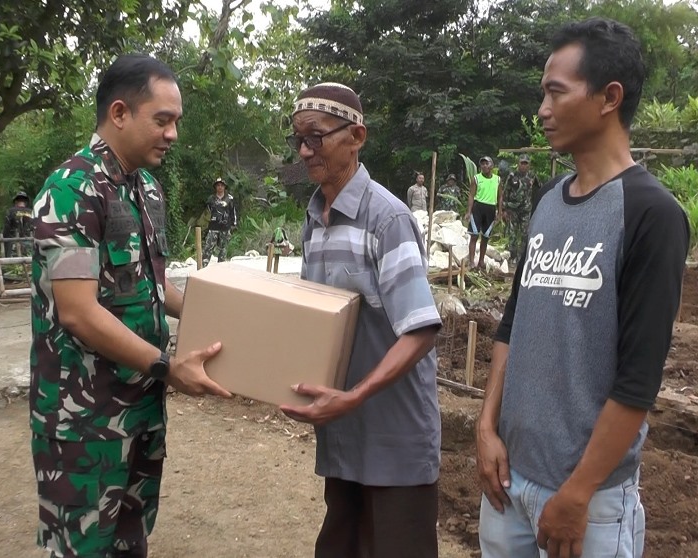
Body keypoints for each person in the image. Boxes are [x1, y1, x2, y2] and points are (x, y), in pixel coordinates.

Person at [476, 18, 689, 558]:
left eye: (555, 92)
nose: (542, 109)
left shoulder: (652, 215)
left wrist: (577, 492)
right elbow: (512, 323)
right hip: (508, 486)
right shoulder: (548, 198)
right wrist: (485, 427)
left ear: (608, 98)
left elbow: (638, 381)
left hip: (586, 504)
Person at [30, 54, 231, 558]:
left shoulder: (146, 188)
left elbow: (150, 284)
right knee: (83, 549)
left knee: (130, 542)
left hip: (139, 411)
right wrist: (168, 367)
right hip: (83, 421)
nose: (173, 134)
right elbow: (77, 311)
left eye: (176, 122)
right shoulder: (71, 190)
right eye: (162, 120)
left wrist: (222, 315)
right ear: (120, 113)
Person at [280, 82, 442, 558]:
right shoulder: (315, 220)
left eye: (316, 136)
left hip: (395, 447)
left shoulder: (386, 220)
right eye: (298, 140)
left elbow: (421, 330)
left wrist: (352, 397)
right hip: (344, 442)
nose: (306, 150)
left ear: (357, 136)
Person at [501, 154, 540, 264]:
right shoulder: (512, 176)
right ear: (518, 164)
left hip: (525, 210)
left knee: (524, 234)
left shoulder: (532, 176)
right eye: (521, 163)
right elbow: (505, 192)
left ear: (529, 165)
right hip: (512, 209)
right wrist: (503, 210)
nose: (523, 165)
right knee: (512, 234)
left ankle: (521, 258)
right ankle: (512, 256)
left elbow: (539, 190)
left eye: (525, 163)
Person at [465, 156, 502, 270]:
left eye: (487, 163)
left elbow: (500, 196)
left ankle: (481, 261)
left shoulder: (497, 179)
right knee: (474, 236)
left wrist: (500, 212)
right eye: (482, 164)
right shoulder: (476, 178)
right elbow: (471, 195)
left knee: (485, 237)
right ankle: (471, 262)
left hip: (490, 209)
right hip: (478, 208)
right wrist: (468, 211)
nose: (484, 166)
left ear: (492, 166)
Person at [201, 177, 237, 267]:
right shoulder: (211, 199)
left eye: (222, 185)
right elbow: (206, 213)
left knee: (223, 250)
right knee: (208, 248)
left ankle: (221, 269)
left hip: (225, 228)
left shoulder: (230, 199)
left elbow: (233, 212)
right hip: (213, 227)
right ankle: (203, 268)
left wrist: (234, 224)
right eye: (218, 185)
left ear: (224, 187)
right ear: (215, 187)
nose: (220, 187)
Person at [3, 191, 34, 256]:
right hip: (29, 243)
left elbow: (6, 229)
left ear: (16, 202)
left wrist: (5, 240)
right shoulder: (31, 212)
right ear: (26, 202)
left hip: (13, 243)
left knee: (12, 264)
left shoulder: (10, 211)